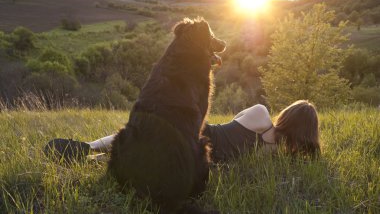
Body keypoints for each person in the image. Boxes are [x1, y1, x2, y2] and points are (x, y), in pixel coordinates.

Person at [44, 100, 320, 163]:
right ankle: (93, 160)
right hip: (194, 156)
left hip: (194, 133)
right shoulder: (276, 155)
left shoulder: (261, 113)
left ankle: (90, 147)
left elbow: (231, 120)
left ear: (286, 114)